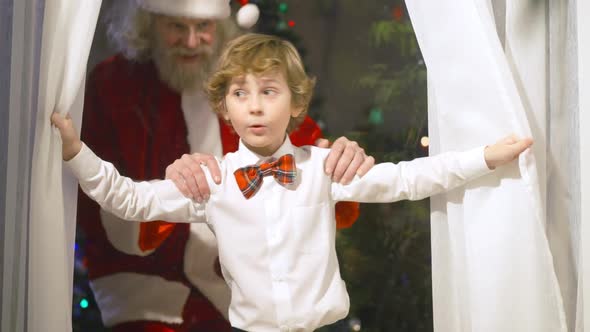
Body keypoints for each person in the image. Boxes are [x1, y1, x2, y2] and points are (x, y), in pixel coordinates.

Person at [56, 33, 532, 331]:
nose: (256, 106)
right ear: (226, 107)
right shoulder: (213, 180)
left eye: (269, 91)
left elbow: (407, 179)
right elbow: (130, 199)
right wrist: (76, 153)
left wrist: (487, 155)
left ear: (296, 104)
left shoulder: (323, 169)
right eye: (241, 94)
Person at [79, 1, 372, 331]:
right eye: (177, 26)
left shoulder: (244, 77)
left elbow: (308, 158)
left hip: (252, 292)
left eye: (203, 27)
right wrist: (169, 192)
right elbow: (97, 199)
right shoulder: (113, 86)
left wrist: (340, 160)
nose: (191, 42)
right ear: (150, 22)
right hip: (149, 291)